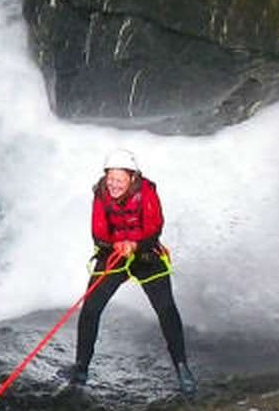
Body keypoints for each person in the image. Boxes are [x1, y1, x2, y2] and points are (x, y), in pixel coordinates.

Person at [73, 148, 196, 394]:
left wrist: (136, 245)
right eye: (110, 179)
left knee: (166, 308)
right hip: (113, 255)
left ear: (132, 177)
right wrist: (114, 245)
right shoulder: (100, 193)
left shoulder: (147, 192)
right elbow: (98, 232)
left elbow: (154, 227)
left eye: (119, 180)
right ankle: (80, 368)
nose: (114, 185)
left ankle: (182, 368)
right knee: (90, 309)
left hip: (146, 254)